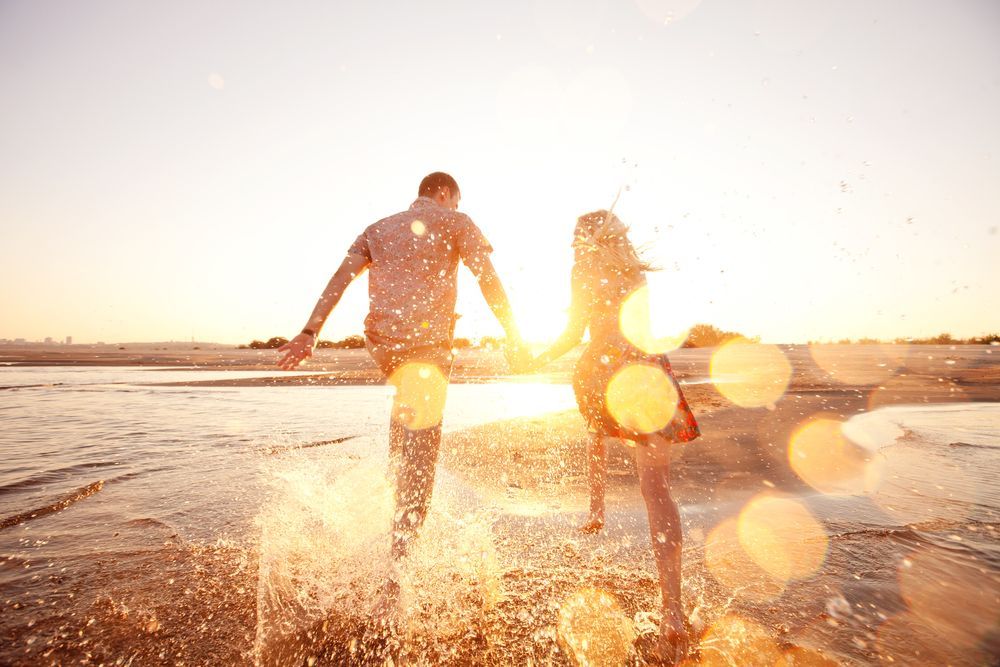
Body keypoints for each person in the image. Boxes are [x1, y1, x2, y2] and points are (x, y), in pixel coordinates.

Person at [276, 171, 526, 617]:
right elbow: (487, 277)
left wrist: (308, 332)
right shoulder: (457, 221)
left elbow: (340, 279)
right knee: (422, 461)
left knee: (404, 424)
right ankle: (394, 582)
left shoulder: (377, 228)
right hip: (426, 350)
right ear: (446, 194)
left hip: (385, 347)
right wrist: (514, 334)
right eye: (452, 200)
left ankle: (391, 501)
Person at [524, 209, 699, 663]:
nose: (571, 244)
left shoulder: (582, 269)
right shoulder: (635, 270)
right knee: (657, 489)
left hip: (602, 367)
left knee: (596, 427)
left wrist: (538, 358)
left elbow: (573, 330)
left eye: (575, 236)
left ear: (586, 238)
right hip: (645, 369)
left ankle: (596, 506)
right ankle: (673, 611)